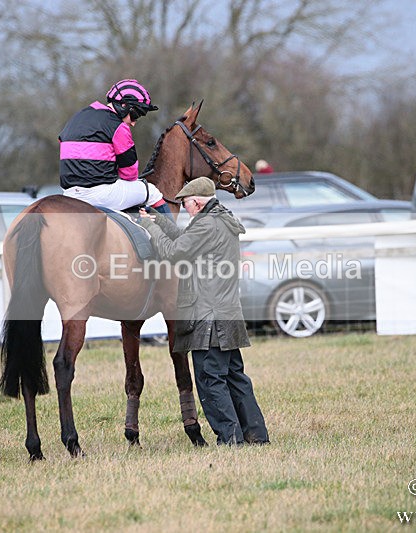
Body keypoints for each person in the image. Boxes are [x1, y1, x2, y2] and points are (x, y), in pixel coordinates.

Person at [138, 177, 269, 445]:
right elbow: (186, 239)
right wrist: (159, 221)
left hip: (207, 317)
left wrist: (149, 229)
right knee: (235, 377)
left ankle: (230, 439)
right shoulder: (220, 219)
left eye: (186, 203)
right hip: (227, 313)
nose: (185, 207)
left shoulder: (206, 225)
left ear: (197, 201)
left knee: (210, 380)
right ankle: (256, 435)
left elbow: (173, 252)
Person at [59, 79, 171, 216]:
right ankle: (172, 236)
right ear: (123, 105)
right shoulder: (118, 126)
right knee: (152, 192)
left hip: (69, 194)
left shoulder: (76, 118)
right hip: (101, 194)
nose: (134, 123)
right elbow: (130, 174)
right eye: (135, 115)